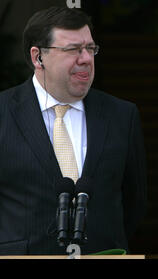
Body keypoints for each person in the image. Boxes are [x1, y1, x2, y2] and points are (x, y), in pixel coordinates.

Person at [0, 7, 148, 255]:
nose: (86, 59)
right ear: (38, 57)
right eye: (73, 50)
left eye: (90, 49)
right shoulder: (4, 112)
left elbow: (135, 203)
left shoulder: (122, 115)